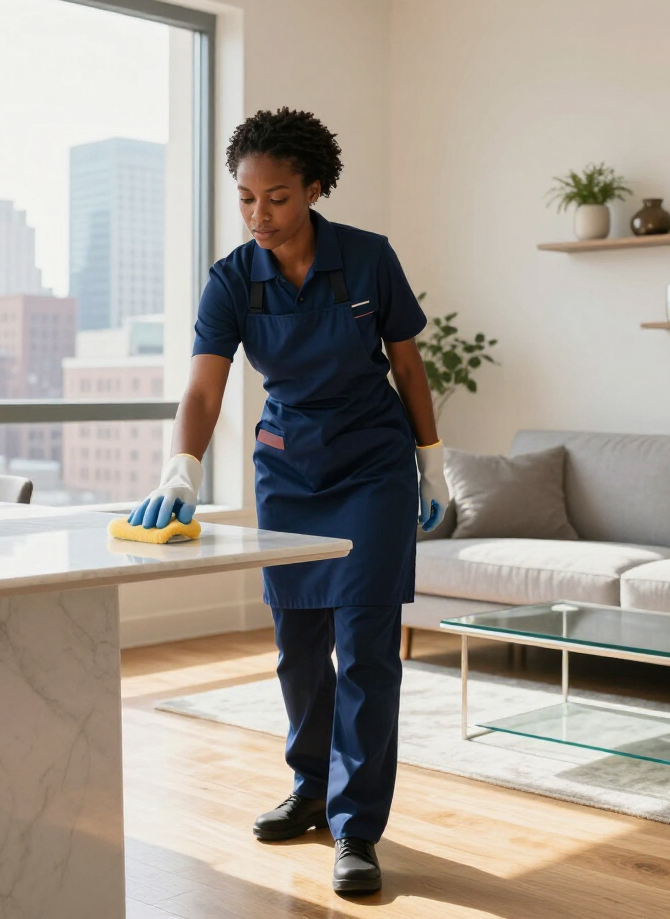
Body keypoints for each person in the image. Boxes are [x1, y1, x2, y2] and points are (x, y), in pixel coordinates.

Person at [129, 107, 448, 896]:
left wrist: (432, 465)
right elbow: (205, 388)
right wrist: (181, 470)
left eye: (275, 198)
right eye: (245, 198)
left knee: (366, 648)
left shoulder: (370, 259)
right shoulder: (234, 278)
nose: (258, 215)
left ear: (312, 188)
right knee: (298, 646)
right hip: (289, 469)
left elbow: (408, 369)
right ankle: (310, 788)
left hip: (372, 467)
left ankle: (356, 827)